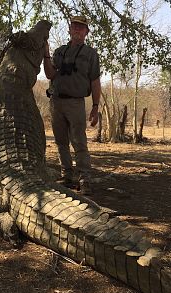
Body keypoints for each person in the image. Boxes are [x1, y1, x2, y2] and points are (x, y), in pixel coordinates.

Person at [43, 15, 101, 195]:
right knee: (61, 142)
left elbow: (95, 81)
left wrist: (95, 106)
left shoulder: (90, 54)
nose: (77, 29)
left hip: (76, 103)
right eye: (74, 26)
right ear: (69, 29)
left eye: (81, 27)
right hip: (56, 102)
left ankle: (85, 179)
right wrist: (46, 53)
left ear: (86, 32)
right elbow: (50, 74)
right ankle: (67, 177)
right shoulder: (59, 52)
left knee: (79, 142)